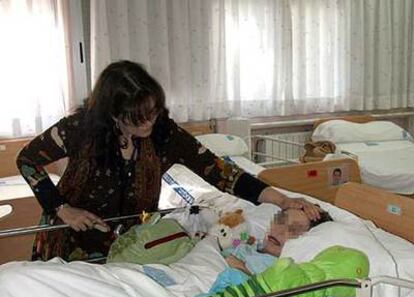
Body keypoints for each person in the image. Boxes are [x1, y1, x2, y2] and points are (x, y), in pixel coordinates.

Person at [17, 60, 320, 262]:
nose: (149, 121)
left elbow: (222, 173)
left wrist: (282, 200)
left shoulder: (164, 134)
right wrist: (61, 207)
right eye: (139, 117)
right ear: (113, 113)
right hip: (71, 240)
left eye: (154, 110)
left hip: (130, 241)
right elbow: (27, 160)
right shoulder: (78, 129)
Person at [225, 206, 333, 274]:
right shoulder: (250, 244)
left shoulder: (281, 270)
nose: (280, 230)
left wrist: (242, 270)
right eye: (280, 221)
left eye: (293, 230)